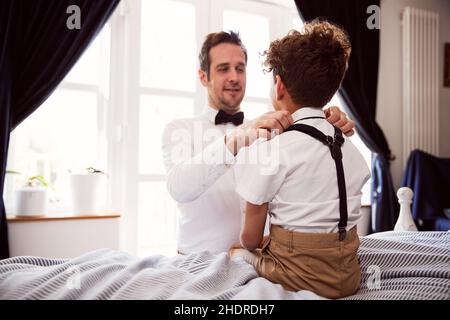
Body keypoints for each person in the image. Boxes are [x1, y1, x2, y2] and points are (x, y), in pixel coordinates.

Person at [162, 30, 356, 255]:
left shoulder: (271, 126)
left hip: (260, 265)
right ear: (203, 77)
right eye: (223, 68)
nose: (234, 77)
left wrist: (328, 119)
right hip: (196, 263)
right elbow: (179, 188)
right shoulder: (179, 129)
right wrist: (236, 139)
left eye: (240, 68)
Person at [229, 20, 370, 299]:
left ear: (279, 86)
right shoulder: (349, 146)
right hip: (348, 276)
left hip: (298, 275)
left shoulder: (272, 149)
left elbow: (251, 238)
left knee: (237, 252)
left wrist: (249, 245)